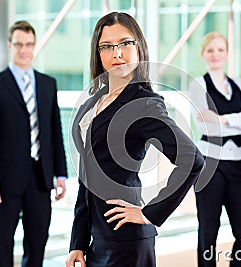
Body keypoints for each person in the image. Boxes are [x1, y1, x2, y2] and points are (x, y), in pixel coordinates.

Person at [65, 12, 204, 267]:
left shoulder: (143, 103)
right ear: (98, 53)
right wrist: (78, 242)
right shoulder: (90, 104)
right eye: (106, 46)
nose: (116, 53)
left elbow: (192, 159)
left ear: (139, 47)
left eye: (125, 43)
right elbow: (86, 176)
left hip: (127, 242)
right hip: (97, 242)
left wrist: (149, 213)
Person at [0, 20, 68, 267]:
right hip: (5, 181)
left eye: (29, 44)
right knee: (3, 247)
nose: (24, 50)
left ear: (34, 45)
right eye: (19, 44)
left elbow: (54, 131)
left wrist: (61, 173)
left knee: (37, 244)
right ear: (10, 45)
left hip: (40, 178)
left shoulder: (48, 84)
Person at [189, 32, 241, 267]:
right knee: (209, 232)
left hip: (237, 163)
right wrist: (240, 117)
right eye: (210, 50)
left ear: (227, 53)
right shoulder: (198, 84)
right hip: (209, 164)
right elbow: (203, 124)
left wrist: (222, 119)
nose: (216, 55)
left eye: (220, 49)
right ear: (203, 54)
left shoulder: (240, 84)